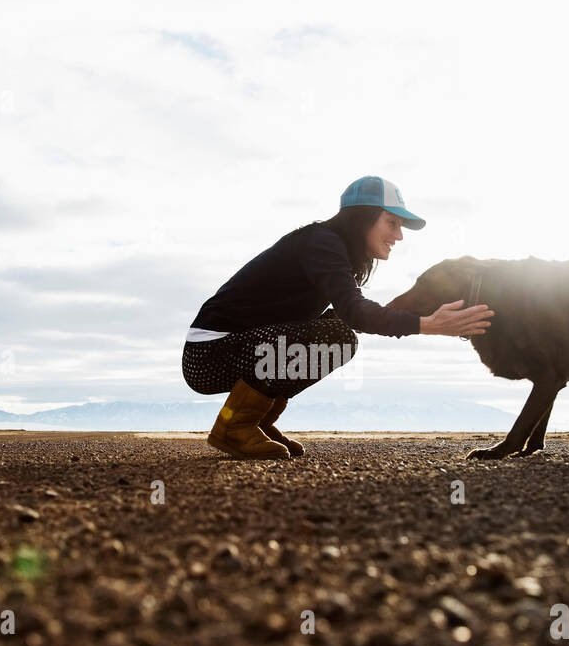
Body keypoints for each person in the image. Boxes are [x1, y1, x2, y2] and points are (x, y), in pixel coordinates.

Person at [181, 175, 493, 459]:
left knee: (337, 330)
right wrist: (428, 325)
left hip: (234, 348)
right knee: (339, 337)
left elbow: (352, 312)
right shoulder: (323, 241)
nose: (398, 235)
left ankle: (256, 421)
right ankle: (235, 426)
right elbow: (356, 311)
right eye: (392, 223)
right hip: (208, 354)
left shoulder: (334, 250)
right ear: (363, 219)